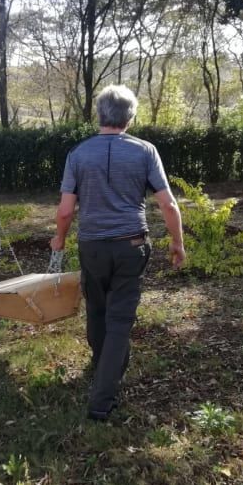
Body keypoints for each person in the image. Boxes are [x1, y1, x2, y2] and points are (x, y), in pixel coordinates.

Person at [50, 84, 186, 421]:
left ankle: (102, 364)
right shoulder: (145, 151)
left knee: (97, 310)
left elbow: (66, 210)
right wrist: (177, 242)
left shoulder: (78, 154)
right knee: (120, 320)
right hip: (131, 245)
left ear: (99, 115)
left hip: (92, 245)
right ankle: (102, 399)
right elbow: (167, 203)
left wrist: (60, 238)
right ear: (130, 116)